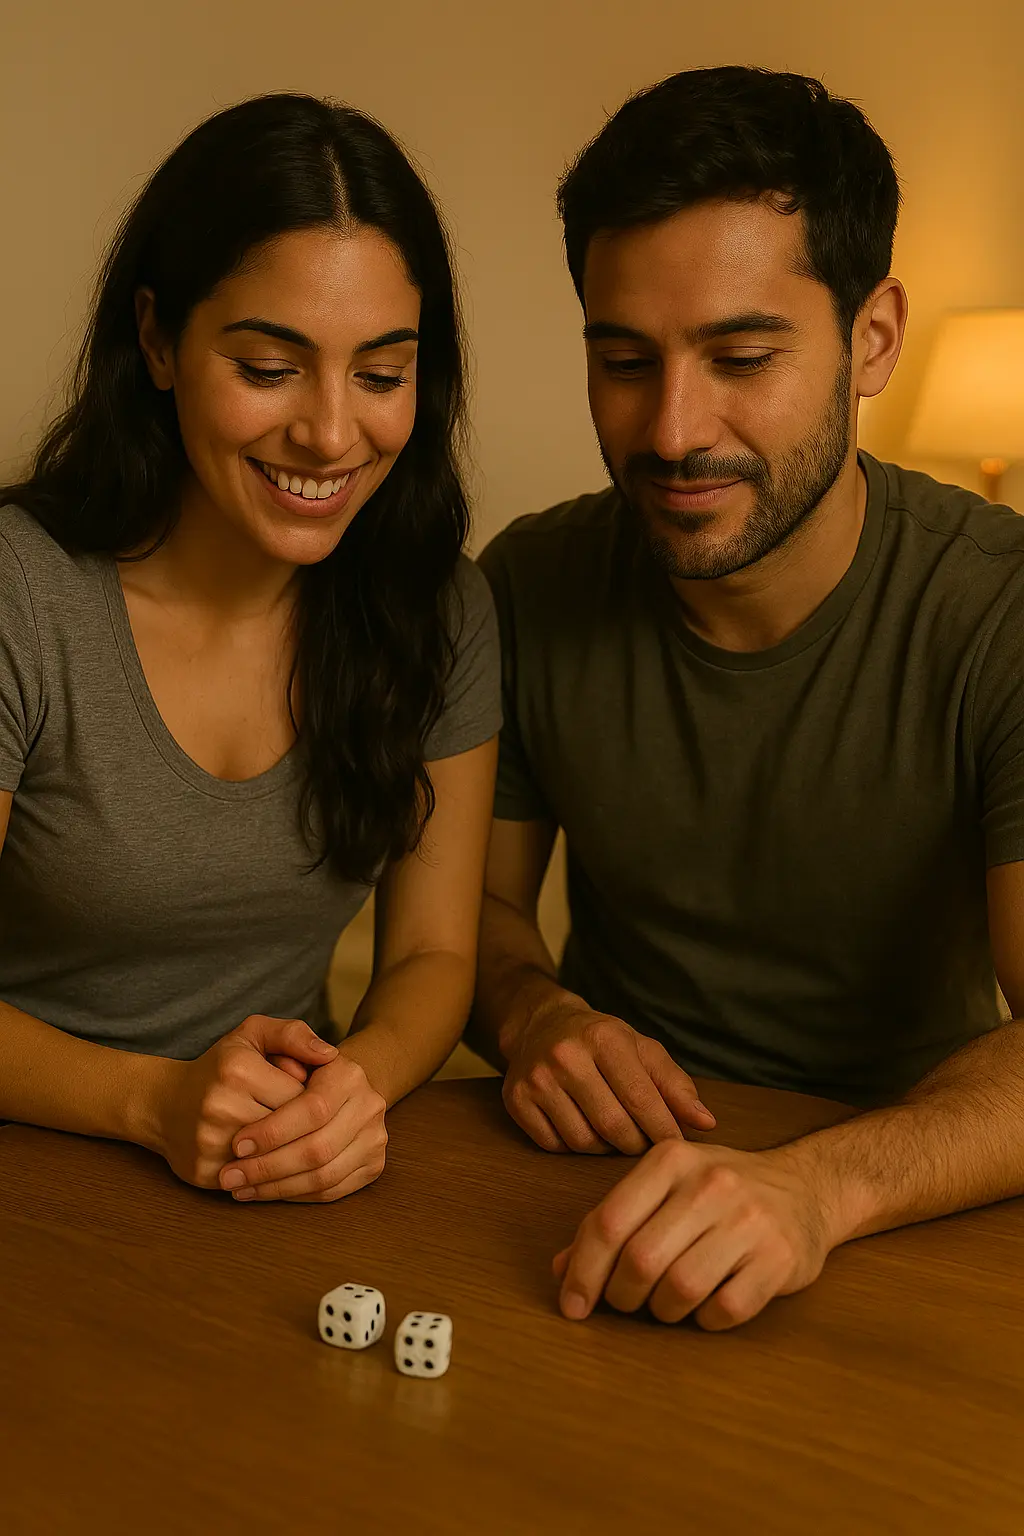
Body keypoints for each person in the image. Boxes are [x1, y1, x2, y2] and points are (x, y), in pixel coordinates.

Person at [472, 65, 1024, 1329]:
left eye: (741, 355)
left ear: (871, 338)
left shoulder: (996, 611)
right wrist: (534, 1011)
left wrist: (817, 1189)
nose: (670, 430)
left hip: (905, 1204)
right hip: (587, 1199)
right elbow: (475, 917)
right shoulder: (525, 584)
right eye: (623, 360)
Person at [0, 93, 500, 1203]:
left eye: (380, 375)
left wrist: (350, 1094)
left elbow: (431, 959)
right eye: (270, 368)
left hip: (260, 1182)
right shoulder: (19, 591)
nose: (330, 433)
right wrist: (151, 1102)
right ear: (156, 340)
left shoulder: (441, 608)